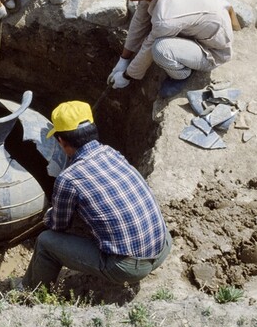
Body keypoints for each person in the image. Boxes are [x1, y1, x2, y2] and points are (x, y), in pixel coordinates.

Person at [22, 101, 171, 291]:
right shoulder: (111, 153)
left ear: (61, 141)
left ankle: (30, 291)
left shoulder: (68, 179)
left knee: (45, 242)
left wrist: (49, 214)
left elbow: (58, 225)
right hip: (163, 246)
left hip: (129, 268)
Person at [107, 0, 241, 98]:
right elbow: (140, 20)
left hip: (213, 49)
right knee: (153, 27)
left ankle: (182, 74)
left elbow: (148, 49)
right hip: (208, 20)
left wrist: (127, 76)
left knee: (160, 49)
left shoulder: (165, 19)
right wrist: (124, 59)